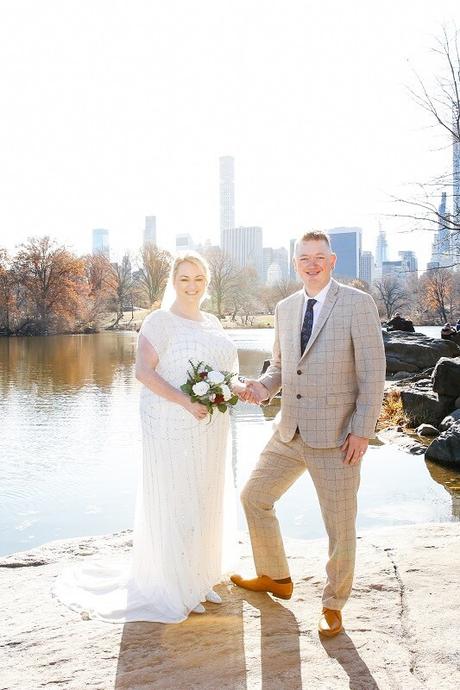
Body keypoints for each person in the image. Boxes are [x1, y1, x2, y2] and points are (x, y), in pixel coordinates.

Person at [53, 251, 245, 623]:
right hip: (171, 419)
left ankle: (200, 576)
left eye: (199, 279)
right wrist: (187, 401)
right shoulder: (160, 321)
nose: (192, 286)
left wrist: (241, 387)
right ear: (173, 282)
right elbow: (143, 372)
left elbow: (228, 373)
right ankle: (174, 586)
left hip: (211, 424)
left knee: (204, 494)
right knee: (176, 496)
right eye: (185, 279)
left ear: (207, 283)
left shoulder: (214, 322)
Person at [231, 231, 386, 638]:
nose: (312, 264)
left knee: (339, 526)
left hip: (337, 437)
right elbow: (280, 366)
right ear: (294, 262)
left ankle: (333, 605)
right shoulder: (284, 308)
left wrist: (361, 432)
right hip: (289, 430)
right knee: (254, 498)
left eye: (319, 257)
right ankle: (275, 576)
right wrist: (262, 387)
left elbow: (373, 375)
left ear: (332, 261)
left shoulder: (358, 304)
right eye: (304, 258)